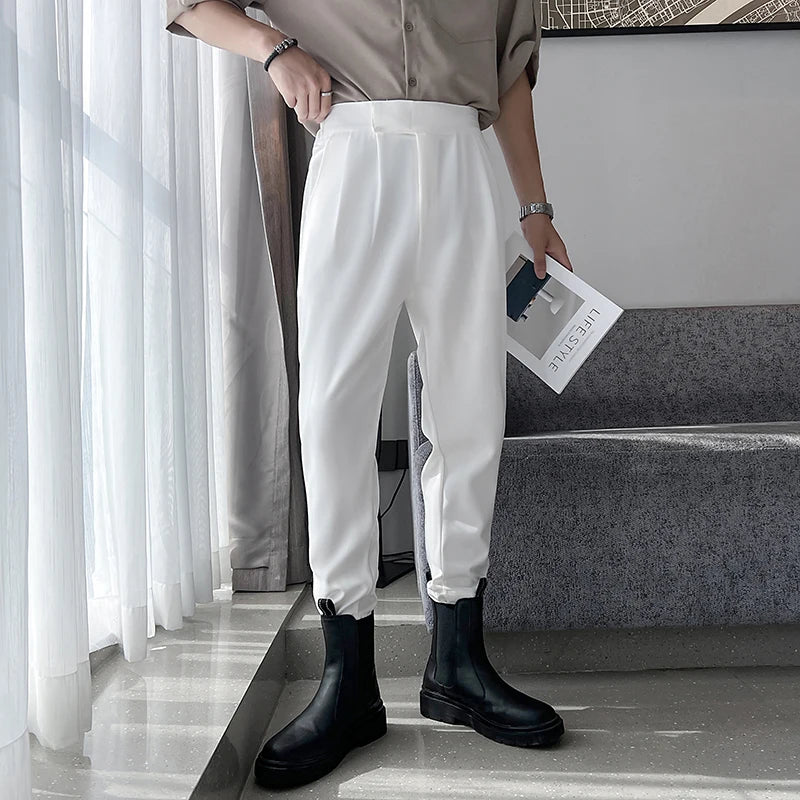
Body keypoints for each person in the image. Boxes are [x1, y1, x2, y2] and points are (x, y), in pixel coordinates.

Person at [165, 0, 574, 789]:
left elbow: (509, 71)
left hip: (460, 162)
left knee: (472, 417)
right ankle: (347, 680)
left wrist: (535, 206)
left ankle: (457, 665)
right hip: (353, 152)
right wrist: (274, 47)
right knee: (334, 419)